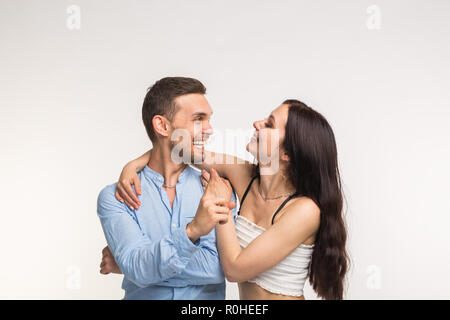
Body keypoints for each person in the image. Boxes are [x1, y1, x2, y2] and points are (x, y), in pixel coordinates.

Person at [111, 99, 349, 300]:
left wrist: (221, 205)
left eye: (269, 124)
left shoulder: (305, 211)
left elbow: (235, 269)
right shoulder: (242, 173)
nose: (257, 123)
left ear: (286, 153)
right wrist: (132, 165)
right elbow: (178, 149)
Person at [97, 76, 236, 300]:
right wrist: (192, 231)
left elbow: (216, 268)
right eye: (199, 119)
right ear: (162, 125)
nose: (209, 130)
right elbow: (136, 267)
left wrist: (136, 267)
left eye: (209, 119)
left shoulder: (218, 188)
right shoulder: (115, 197)